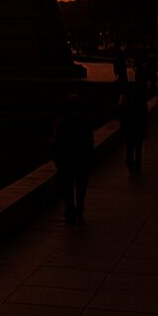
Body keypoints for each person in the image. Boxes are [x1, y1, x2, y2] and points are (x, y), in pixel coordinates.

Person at [52, 94, 94, 223]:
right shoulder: (84, 121)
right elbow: (89, 141)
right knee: (81, 187)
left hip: (66, 161)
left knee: (68, 187)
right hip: (81, 160)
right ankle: (79, 208)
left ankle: (69, 210)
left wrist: (57, 161)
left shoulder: (61, 122)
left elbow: (56, 143)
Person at [119, 82, 149, 173]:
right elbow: (145, 114)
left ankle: (130, 162)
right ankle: (137, 164)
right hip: (138, 127)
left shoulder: (127, 101)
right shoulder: (142, 102)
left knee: (130, 146)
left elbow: (120, 112)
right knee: (138, 147)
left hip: (130, 128)